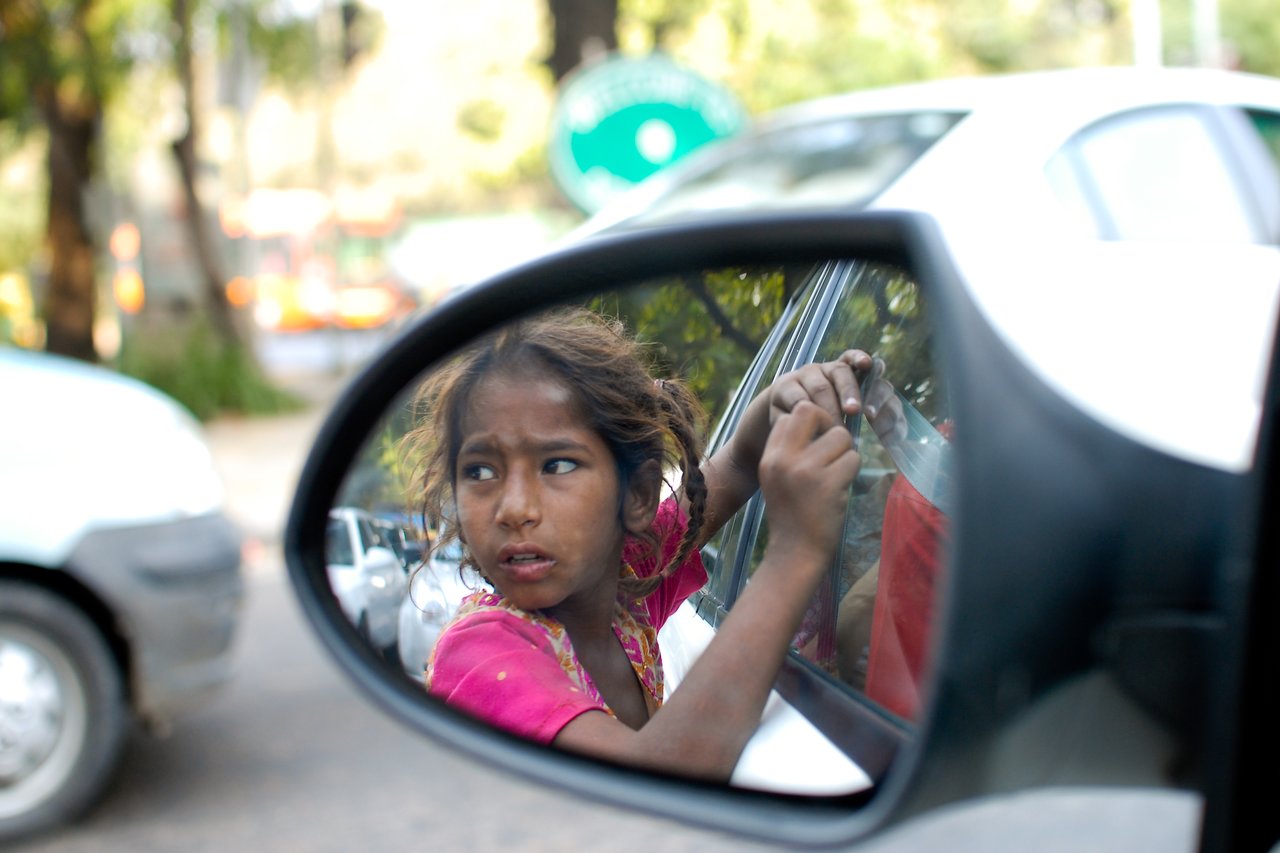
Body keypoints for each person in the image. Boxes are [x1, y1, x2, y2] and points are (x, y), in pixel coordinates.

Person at [407, 307, 871, 782]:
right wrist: (795, 553)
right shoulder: (481, 654)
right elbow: (664, 779)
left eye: (557, 465)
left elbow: (733, 470)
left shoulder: (624, 587)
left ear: (639, 495)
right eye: (480, 471)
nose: (513, 508)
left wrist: (782, 406)